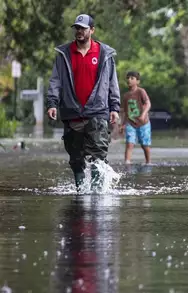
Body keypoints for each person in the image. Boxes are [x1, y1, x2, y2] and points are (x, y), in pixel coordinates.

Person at [47, 14, 121, 192]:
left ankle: (96, 193)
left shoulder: (105, 54)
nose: (79, 31)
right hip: (72, 110)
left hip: (97, 110)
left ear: (92, 30)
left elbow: (112, 81)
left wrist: (114, 107)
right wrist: (52, 102)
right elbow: (55, 80)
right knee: (76, 157)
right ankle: (81, 192)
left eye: (83, 28)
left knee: (98, 155)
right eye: (77, 28)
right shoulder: (64, 54)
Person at [120, 71, 152, 164]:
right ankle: (127, 163)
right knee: (129, 144)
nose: (129, 80)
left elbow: (148, 103)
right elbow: (125, 112)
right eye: (128, 78)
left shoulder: (141, 91)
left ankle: (148, 162)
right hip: (131, 123)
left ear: (137, 81)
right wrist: (122, 124)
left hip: (144, 123)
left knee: (145, 145)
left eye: (132, 78)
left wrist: (143, 115)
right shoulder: (126, 96)